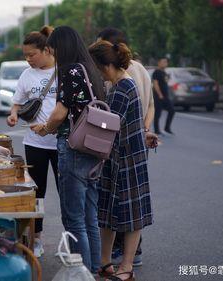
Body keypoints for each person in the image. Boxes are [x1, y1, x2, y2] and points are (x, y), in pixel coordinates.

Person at [30, 25, 105, 273]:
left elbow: (61, 112)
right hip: (94, 147)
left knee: (74, 218)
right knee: (90, 215)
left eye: (52, 49)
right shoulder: (90, 68)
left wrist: (46, 129)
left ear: (61, 47)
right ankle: (93, 269)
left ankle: (80, 272)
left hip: (74, 147)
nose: (53, 54)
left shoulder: (70, 70)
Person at [89, 40, 153, 281]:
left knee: (130, 214)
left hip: (127, 158)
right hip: (119, 156)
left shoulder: (122, 88)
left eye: (95, 67)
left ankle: (126, 267)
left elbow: (109, 126)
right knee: (107, 213)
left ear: (105, 66)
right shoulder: (118, 84)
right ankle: (105, 262)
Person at [6, 26, 58, 258]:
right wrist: (14, 114)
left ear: (46, 50)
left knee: (68, 193)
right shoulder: (27, 75)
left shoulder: (64, 71)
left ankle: (74, 241)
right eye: (25, 55)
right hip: (35, 142)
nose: (28, 60)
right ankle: (36, 239)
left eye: (31, 55)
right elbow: (17, 102)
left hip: (62, 143)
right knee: (37, 193)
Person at [152, 57, 175, 135]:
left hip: (166, 96)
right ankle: (156, 130)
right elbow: (155, 84)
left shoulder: (164, 72)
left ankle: (167, 128)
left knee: (172, 110)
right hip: (159, 96)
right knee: (158, 114)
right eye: (163, 62)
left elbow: (165, 83)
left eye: (166, 62)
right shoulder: (156, 72)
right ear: (159, 63)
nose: (165, 63)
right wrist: (160, 94)